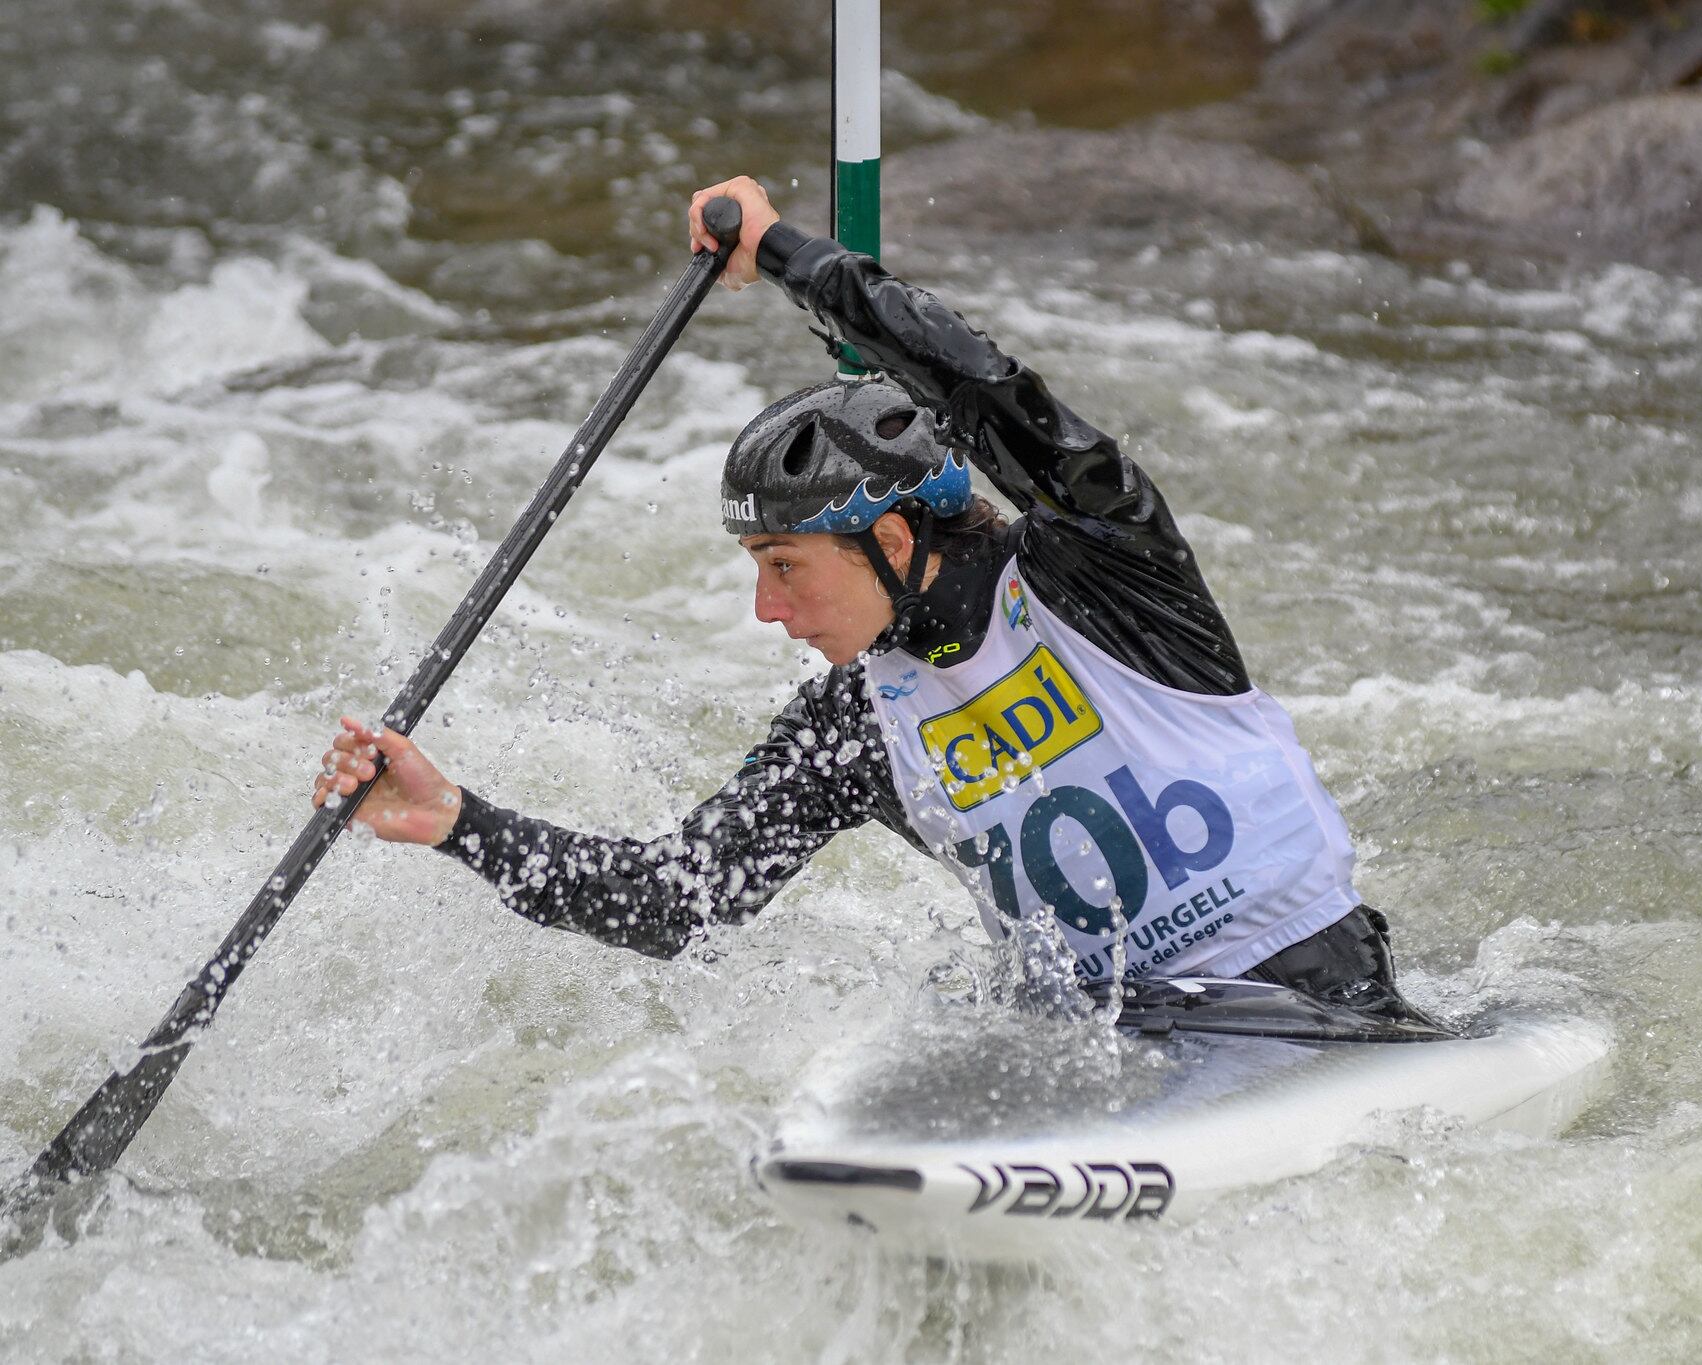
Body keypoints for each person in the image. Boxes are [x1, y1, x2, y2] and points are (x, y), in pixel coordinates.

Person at [312, 175, 1428, 1022]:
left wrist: (789, 256)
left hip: (1310, 998)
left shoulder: (1101, 565)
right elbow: (679, 899)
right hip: (1115, 1041)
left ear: (889, 536)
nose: (767, 611)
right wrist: (458, 822)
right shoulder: (855, 726)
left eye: (784, 566)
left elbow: (984, 386)